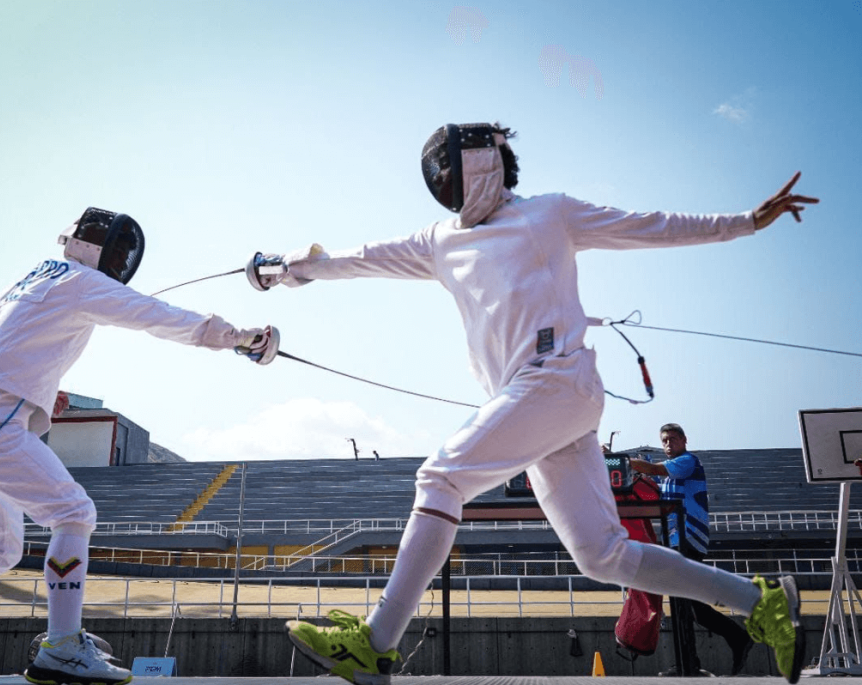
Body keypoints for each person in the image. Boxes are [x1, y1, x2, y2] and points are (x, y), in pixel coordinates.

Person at [247, 122, 818, 685]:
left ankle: (376, 644)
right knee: (602, 555)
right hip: (539, 404)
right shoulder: (439, 241)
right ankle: (760, 602)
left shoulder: (549, 213)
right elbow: (356, 258)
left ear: (481, 164)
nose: (442, 180)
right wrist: (280, 270)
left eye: (448, 167)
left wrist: (745, 221)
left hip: (557, 382)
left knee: (440, 479)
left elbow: (649, 226)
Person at [0, 207, 279, 685]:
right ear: (107, 249)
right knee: (74, 513)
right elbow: (158, 316)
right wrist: (239, 339)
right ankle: (64, 646)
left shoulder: (27, 281)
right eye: (120, 252)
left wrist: (41, 389)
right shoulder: (80, 282)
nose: (122, 261)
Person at [631, 423, 754, 676]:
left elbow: (652, 469)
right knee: (688, 606)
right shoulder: (667, 475)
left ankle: (696, 660)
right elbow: (646, 478)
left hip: (687, 539)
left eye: (673, 439)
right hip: (675, 542)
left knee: (686, 604)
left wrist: (619, 460)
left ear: (684, 440)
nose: (668, 444)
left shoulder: (687, 461)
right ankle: (709, 652)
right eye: (664, 440)